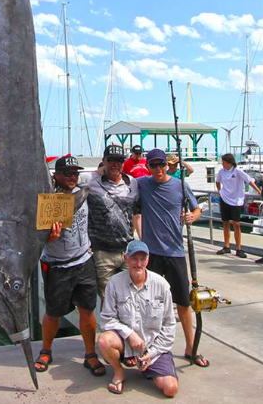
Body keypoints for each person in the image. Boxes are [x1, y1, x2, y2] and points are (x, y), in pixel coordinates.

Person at [135, 148, 209, 368]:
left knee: (183, 303)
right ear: (147, 167)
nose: (158, 169)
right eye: (153, 165)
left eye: (161, 165)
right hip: (152, 255)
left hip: (175, 253)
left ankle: (190, 347)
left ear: (167, 165)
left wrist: (191, 217)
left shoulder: (181, 186)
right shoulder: (142, 184)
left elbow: (197, 211)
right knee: (149, 303)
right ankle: (148, 347)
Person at [35, 156, 106, 377]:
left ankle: (90, 354)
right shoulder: (47, 200)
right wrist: (50, 238)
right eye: (67, 173)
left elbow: (103, 171)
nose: (72, 177)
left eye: (75, 173)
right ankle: (46, 350)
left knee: (87, 309)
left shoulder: (83, 194)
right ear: (55, 176)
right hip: (56, 265)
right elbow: (37, 237)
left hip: (83, 261)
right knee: (53, 312)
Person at [98, 240, 178, 397]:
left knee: (170, 389)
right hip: (126, 344)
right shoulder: (114, 282)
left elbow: (169, 325)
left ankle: (149, 366)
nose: (138, 263)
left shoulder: (161, 285)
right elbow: (106, 319)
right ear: (125, 258)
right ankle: (119, 372)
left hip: (152, 347)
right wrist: (129, 334)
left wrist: (152, 353)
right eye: (134, 258)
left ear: (148, 260)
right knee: (104, 341)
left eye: (143, 259)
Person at [87, 145, 139, 301]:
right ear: (103, 161)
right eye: (111, 160)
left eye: (119, 161)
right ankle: (109, 326)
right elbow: (66, 180)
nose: (115, 164)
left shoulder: (133, 183)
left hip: (127, 251)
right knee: (107, 298)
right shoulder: (90, 181)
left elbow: (138, 213)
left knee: (132, 295)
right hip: (102, 253)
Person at [214, 154, 262, 258]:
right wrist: (220, 191)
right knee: (225, 222)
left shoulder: (237, 171)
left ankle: (238, 248)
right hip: (224, 199)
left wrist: (259, 191)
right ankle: (226, 246)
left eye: (224, 162)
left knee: (236, 224)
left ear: (229, 162)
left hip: (236, 200)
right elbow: (217, 181)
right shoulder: (221, 172)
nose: (222, 164)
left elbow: (249, 180)